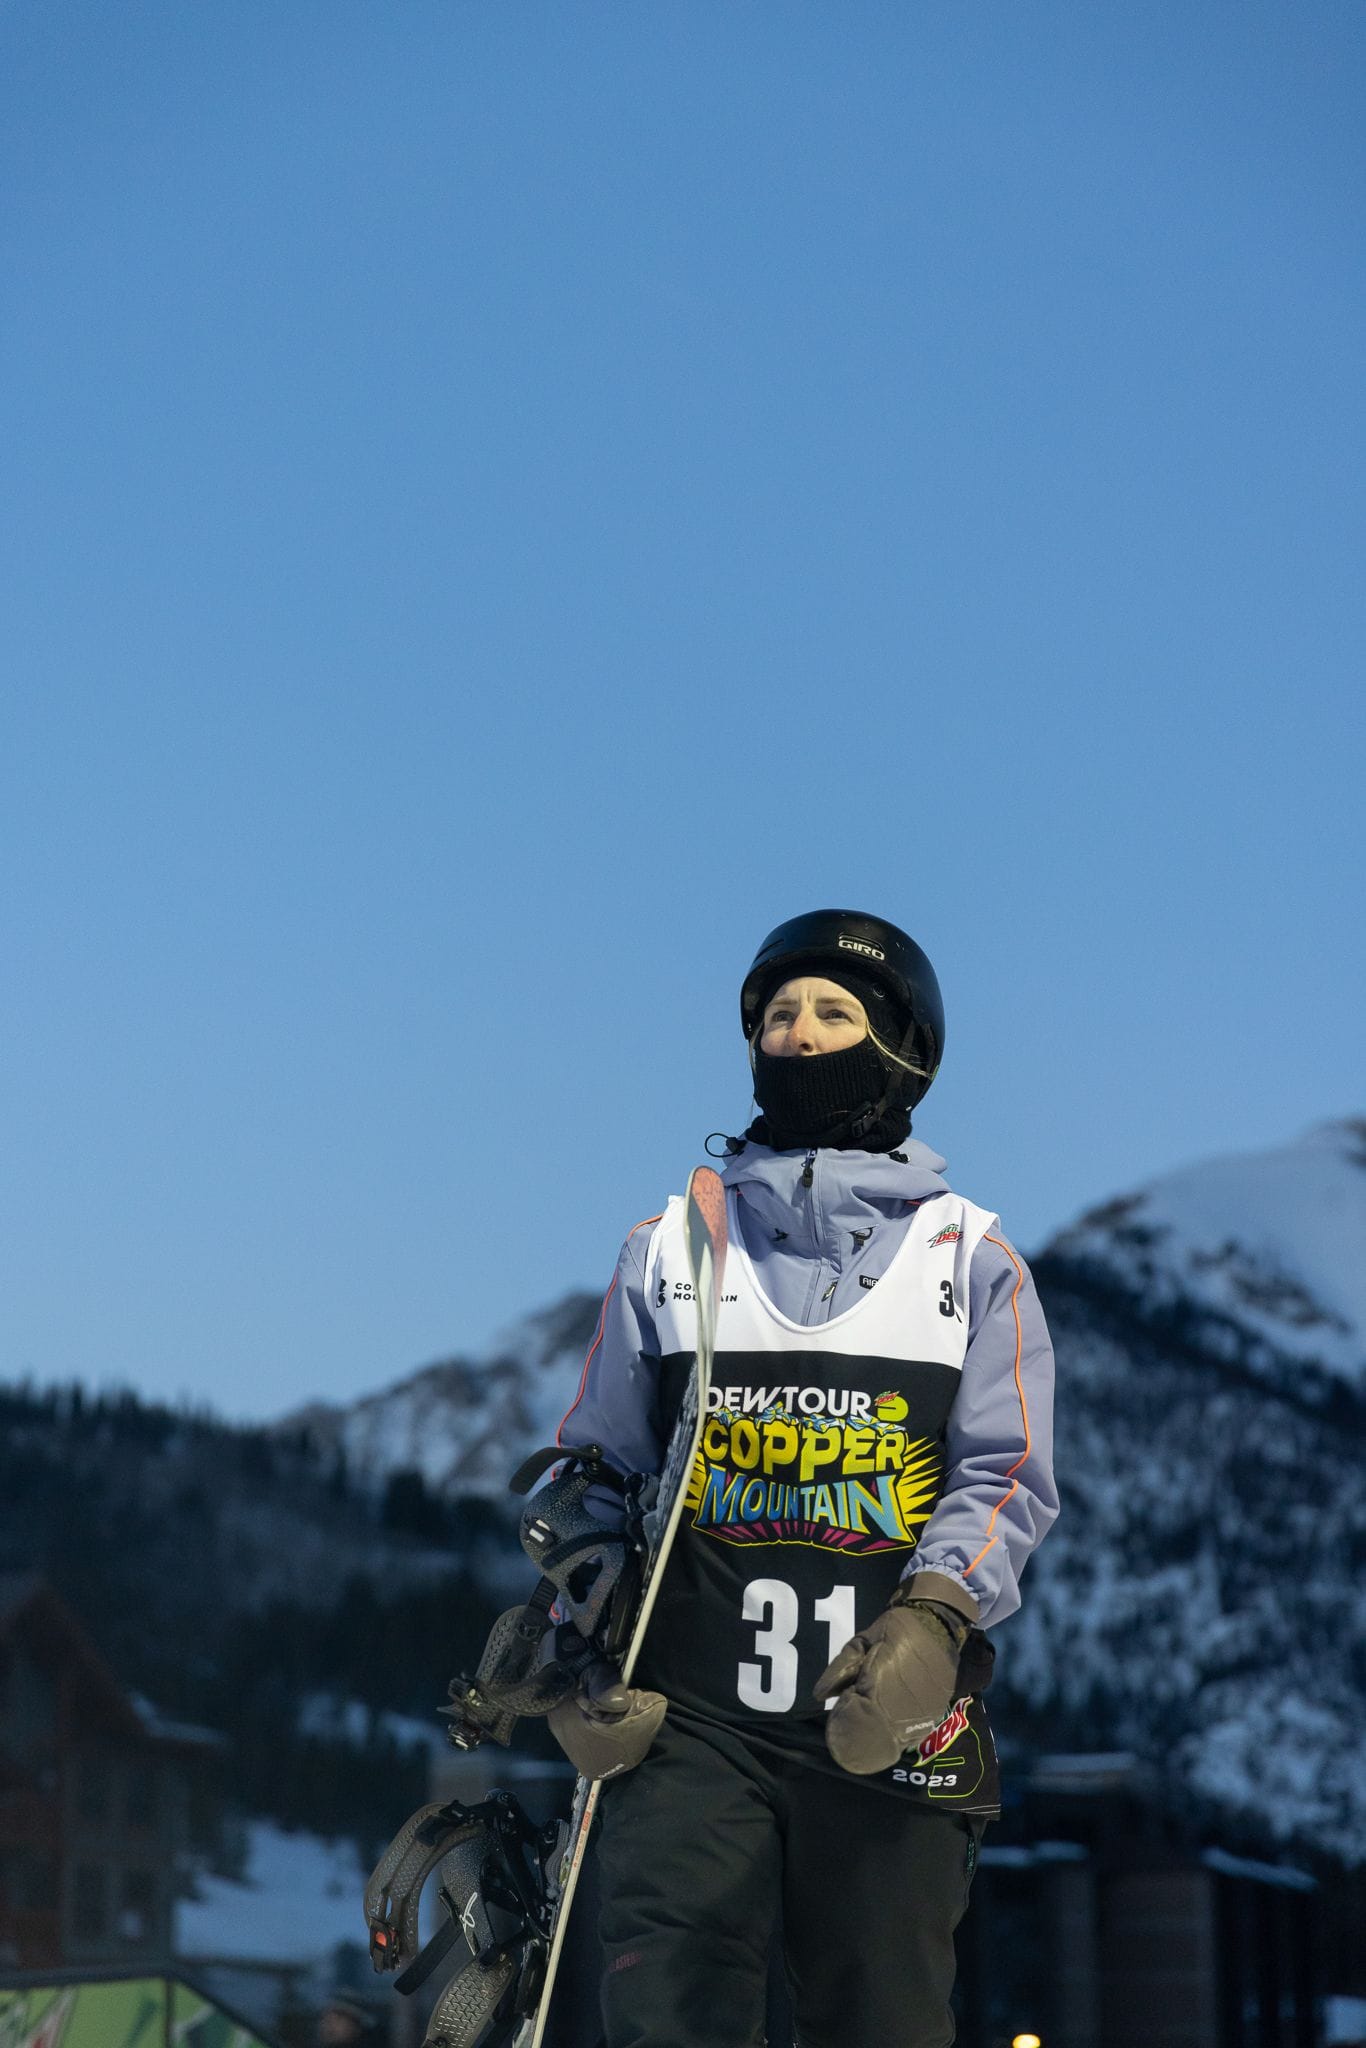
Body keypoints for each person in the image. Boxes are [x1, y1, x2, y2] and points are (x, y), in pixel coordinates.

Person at [551, 909, 1058, 2048]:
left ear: (899, 1047)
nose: (800, 1036)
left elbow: (1004, 1472)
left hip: (887, 1722)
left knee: (880, 2017)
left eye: (834, 1013)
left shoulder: (971, 1261)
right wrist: (570, 1642)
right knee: (670, 2011)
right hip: (687, 1723)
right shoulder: (671, 1248)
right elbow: (592, 1470)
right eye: (778, 1016)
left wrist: (935, 1618)